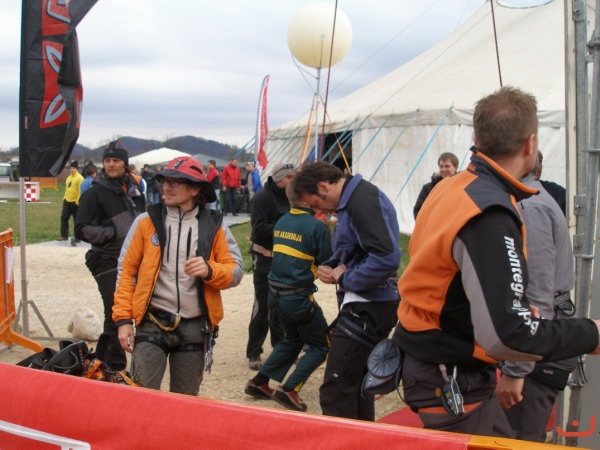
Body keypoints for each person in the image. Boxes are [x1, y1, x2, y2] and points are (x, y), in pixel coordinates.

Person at [392, 86, 600, 438]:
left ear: (476, 139)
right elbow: (510, 335)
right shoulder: (488, 211)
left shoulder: (450, 187)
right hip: (449, 370)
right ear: (530, 144)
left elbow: (443, 274)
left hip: (438, 359)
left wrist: (507, 304)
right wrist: (591, 333)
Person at [113, 156, 244, 395]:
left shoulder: (215, 225)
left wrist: (210, 270)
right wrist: (123, 321)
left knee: (184, 402)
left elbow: (236, 271)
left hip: (195, 326)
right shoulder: (145, 222)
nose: (167, 187)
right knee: (140, 397)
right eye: (164, 181)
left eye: (176, 182)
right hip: (151, 322)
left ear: (195, 189)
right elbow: (126, 271)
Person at [292, 160, 401, 421]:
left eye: (316, 205)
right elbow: (357, 249)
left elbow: (386, 258)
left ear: (323, 186)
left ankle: (346, 439)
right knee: (357, 387)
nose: (320, 212)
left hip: (368, 304)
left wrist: (347, 277)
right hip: (370, 302)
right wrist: (332, 265)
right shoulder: (354, 199)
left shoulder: (361, 201)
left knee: (337, 391)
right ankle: (362, 438)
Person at [496, 163, 577, 442]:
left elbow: (538, 295)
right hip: (538, 343)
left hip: (538, 347)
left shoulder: (529, 207)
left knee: (518, 438)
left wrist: (517, 369)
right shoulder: (530, 200)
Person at [244, 177, 332, 411]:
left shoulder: (283, 220)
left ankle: (259, 382)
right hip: (298, 298)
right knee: (322, 345)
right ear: (308, 197)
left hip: (276, 295)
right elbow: (328, 261)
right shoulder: (317, 226)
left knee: (292, 339)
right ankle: (289, 389)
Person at [75, 140, 146, 371]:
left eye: (116, 160)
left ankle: (103, 362)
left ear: (125, 164)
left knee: (135, 310)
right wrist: (113, 233)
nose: (111, 164)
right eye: (108, 160)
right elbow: (81, 229)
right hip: (106, 258)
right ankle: (113, 367)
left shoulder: (135, 192)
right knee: (115, 311)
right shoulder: (95, 193)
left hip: (135, 259)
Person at [245, 162, 294, 370]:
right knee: (263, 304)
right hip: (265, 257)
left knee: (283, 304)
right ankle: (254, 351)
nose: (293, 180)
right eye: (290, 177)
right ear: (279, 178)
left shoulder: (293, 197)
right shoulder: (261, 198)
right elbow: (259, 229)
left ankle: (280, 348)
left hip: (286, 258)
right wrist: (289, 228)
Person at [413, 152, 459, 218]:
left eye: (447, 166)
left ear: (456, 167)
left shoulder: (462, 187)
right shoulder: (428, 188)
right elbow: (418, 212)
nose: (443, 169)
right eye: (441, 166)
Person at [58, 161, 84, 243]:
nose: (71, 170)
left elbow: (81, 191)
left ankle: (77, 237)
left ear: (76, 169)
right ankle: (64, 235)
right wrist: (64, 198)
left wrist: (78, 201)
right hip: (67, 200)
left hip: (75, 202)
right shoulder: (68, 178)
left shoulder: (80, 178)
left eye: (73, 168)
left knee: (76, 220)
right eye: (70, 168)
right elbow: (67, 188)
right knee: (64, 217)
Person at [535, 150, 567, 216]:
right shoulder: (515, 191)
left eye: (540, 161)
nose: (538, 166)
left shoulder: (555, 191)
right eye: (534, 162)